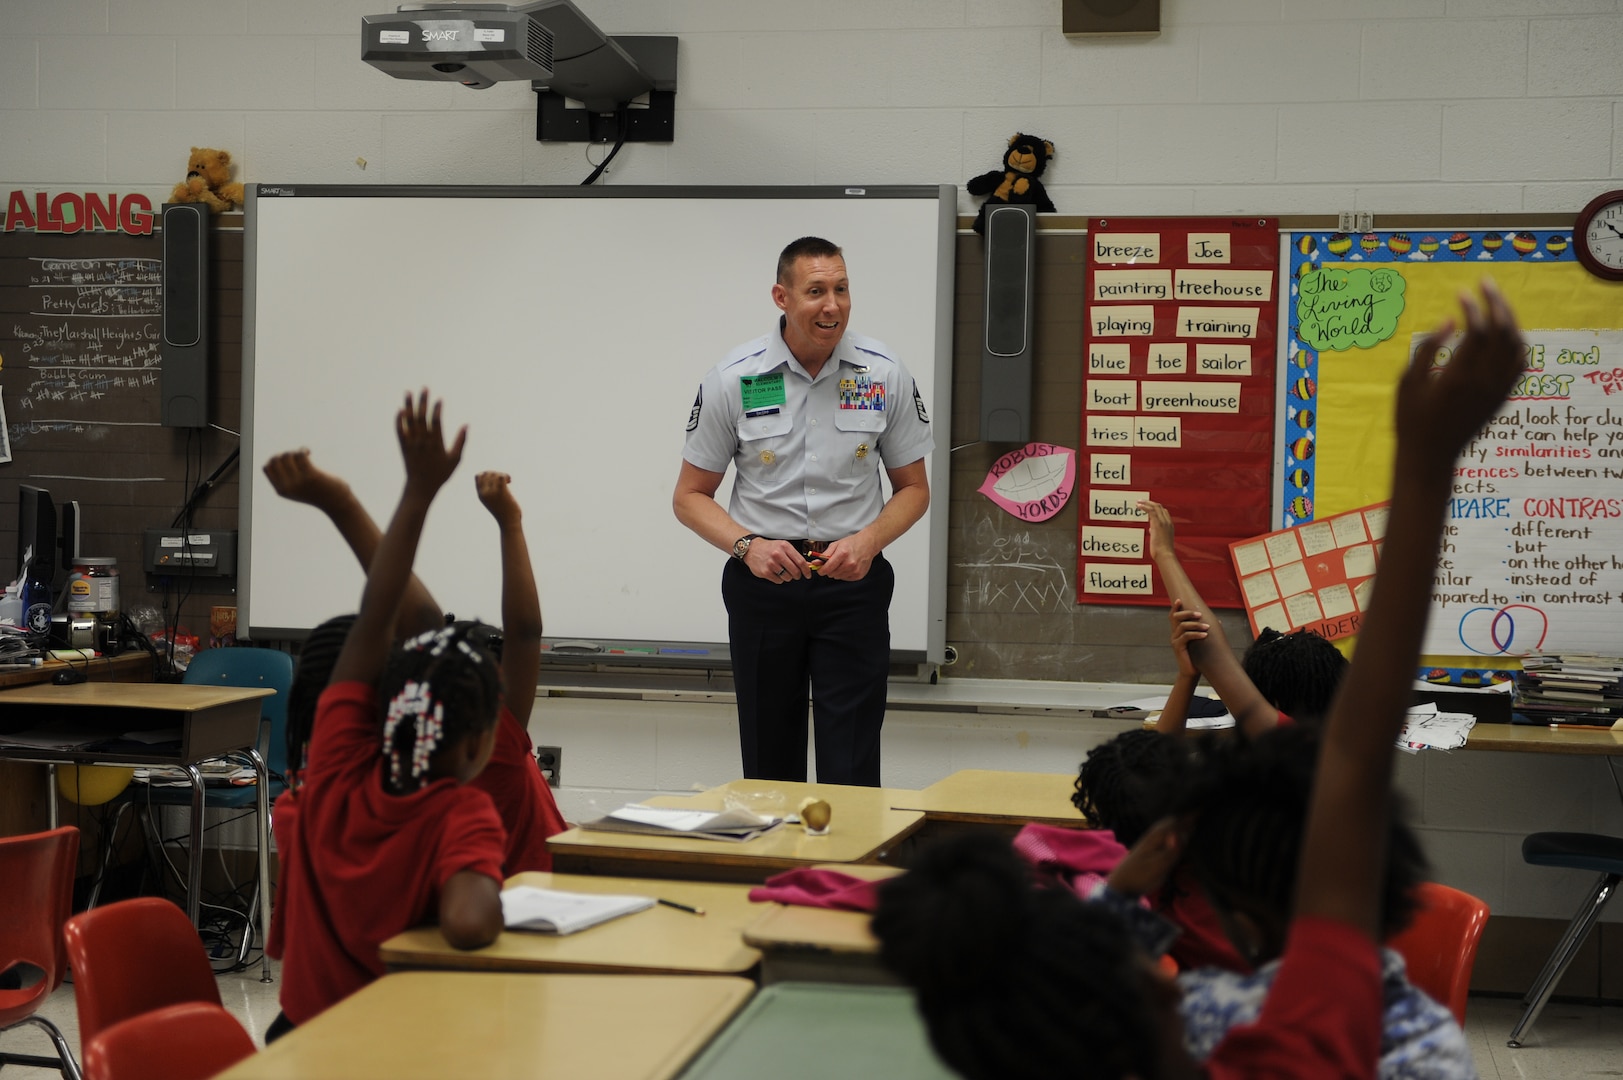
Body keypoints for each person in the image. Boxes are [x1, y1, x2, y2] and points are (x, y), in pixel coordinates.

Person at [871, 280, 1525, 1078]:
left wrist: (1123, 892)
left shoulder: (1198, 1021)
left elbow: (1117, 984)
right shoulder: (1335, 1018)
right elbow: (1347, 740)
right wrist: (1426, 469)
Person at [272, 392, 507, 1037]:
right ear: (474, 743)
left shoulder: (335, 767)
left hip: (298, 1042)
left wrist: (416, 493)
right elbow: (468, 923)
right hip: (394, 1046)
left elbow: (380, 614)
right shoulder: (461, 813)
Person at [673, 236, 933, 786]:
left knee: (853, 759)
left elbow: (914, 489)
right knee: (769, 761)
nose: (832, 305)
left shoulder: (883, 373)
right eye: (816, 291)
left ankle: (847, 872)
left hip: (853, 584)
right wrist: (748, 547)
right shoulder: (735, 378)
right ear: (781, 296)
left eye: (841, 289)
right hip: (765, 584)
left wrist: (869, 542)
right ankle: (777, 870)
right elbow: (689, 496)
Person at [261, 449, 566, 878]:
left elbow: (420, 622)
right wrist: (508, 522)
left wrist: (347, 505)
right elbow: (522, 632)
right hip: (531, 908)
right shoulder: (472, 757)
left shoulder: (310, 803)